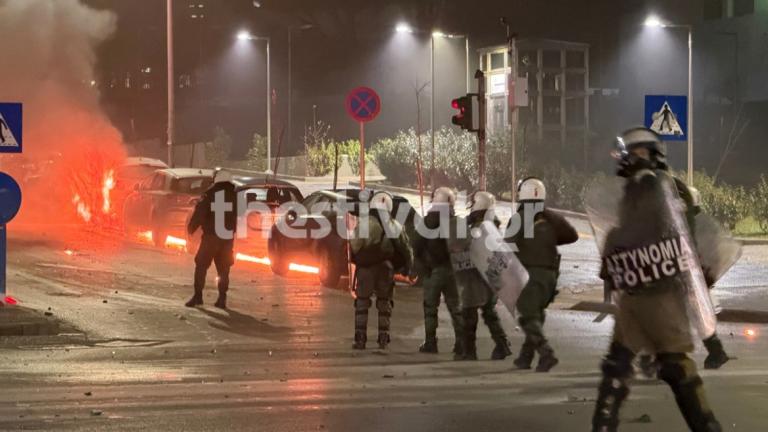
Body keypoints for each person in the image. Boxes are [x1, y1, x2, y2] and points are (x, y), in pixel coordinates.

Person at [591, 127, 722, 432]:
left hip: (661, 293)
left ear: (649, 154)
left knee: (675, 366)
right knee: (618, 364)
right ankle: (602, 426)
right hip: (638, 292)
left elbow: (655, 232)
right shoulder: (641, 187)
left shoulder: (655, 187)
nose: (626, 158)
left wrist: (613, 245)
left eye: (633, 152)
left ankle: (707, 427)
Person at [507, 177, 578, 372]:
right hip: (550, 277)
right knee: (536, 314)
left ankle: (546, 354)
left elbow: (507, 246)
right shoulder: (550, 218)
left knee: (527, 317)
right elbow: (572, 235)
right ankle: (525, 357)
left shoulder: (520, 218)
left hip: (529, 276)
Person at [350, 191, 414, 350]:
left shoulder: (364, 223)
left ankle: (360, 339)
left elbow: (355, 246)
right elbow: (407, 250)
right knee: (384, 303)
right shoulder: (396, 226)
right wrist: (408, 269)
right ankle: (383, 338)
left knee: (362, 303)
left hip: (366, 269)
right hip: (387, 269)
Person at [457, 191, 512, 361]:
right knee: (489, 312)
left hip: (475, 277)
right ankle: (502, 345)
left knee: (469, 312)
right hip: (492, 277)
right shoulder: (491, 226)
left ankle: (469, 351)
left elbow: (471, 252)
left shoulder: (478, 228)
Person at [413, 187, 464, 357]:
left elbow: (416, 246)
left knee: (430, 308)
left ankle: (430, 342)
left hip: (432, 272)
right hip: (453, 272)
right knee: (456, 308)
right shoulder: (456, 222)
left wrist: (420, 268)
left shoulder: (426, 222)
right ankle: (461, 343)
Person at [185, 169, 237, 309]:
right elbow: (236, 216)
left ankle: (198, 296)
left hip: (211, 237)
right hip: (227, 238)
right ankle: (222, 299)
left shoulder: (210, 193)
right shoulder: (234, 195)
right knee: (224, 268)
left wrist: (192, 227)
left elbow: (200, 212)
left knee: (201, 264)